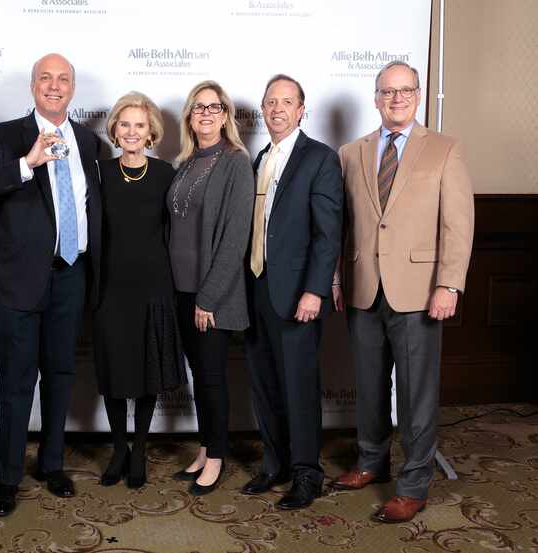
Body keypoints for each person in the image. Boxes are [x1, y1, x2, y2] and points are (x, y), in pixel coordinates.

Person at [329, 61, 474, 523]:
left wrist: (449, 284)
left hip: (420, 293)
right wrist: (336, 278)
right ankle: (371, 462)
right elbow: (341, 226)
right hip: (364, 289)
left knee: (416, 395)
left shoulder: (445, 151)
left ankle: (413, 484)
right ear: (375, 98)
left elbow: (458, 225)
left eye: (405, 90)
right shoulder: (351, 152)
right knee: (369, 388)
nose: (396, 99)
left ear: (418, 95)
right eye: (387, 92)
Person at [0, 53, 101, 517]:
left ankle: (52, 463)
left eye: (63, 79)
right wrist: (27, 162)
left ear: (73, 88)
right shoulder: (5, 136)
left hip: (71, 276)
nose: (54, 86)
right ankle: (10, 478)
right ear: (33, 86)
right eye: (45, 78)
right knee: (17, 382)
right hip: (18, 282)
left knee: (61, 376)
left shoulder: (88, 141)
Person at [241, 75, 343, 510]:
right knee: (264, 384)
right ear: (262, 110)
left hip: (298, 293)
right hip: (255, 287)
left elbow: (328, 233)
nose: (277, 109)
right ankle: (275, 464)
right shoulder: (259, 157)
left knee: (299, 386)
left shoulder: (320, 158)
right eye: (270, 102)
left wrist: (315, 291)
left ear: (303, 110)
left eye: (287, 102)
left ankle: (307, 473)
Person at [94, 92, 185, 489]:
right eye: (125, 124)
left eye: (140, 125)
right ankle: (119, 449)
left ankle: (140, 449)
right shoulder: (99, 172)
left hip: (154, 285)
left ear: (151, 132)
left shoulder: (167, 173)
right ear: (115, 129)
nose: (132, 132)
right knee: (115, 371)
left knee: (147, 371)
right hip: (110, 287)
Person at [168, 80, 254, 496]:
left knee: (213, 377)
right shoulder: (184, 162)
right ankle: (204, 448)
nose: (205, 113)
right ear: (190, 115)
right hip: (181, 292)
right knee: (199, 376)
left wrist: (208, 297)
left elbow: (236, 238)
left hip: (210, 296)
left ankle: (217, 456)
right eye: (198, 107)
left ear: (225, 116)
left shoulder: (236, 162)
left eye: (213, 107)